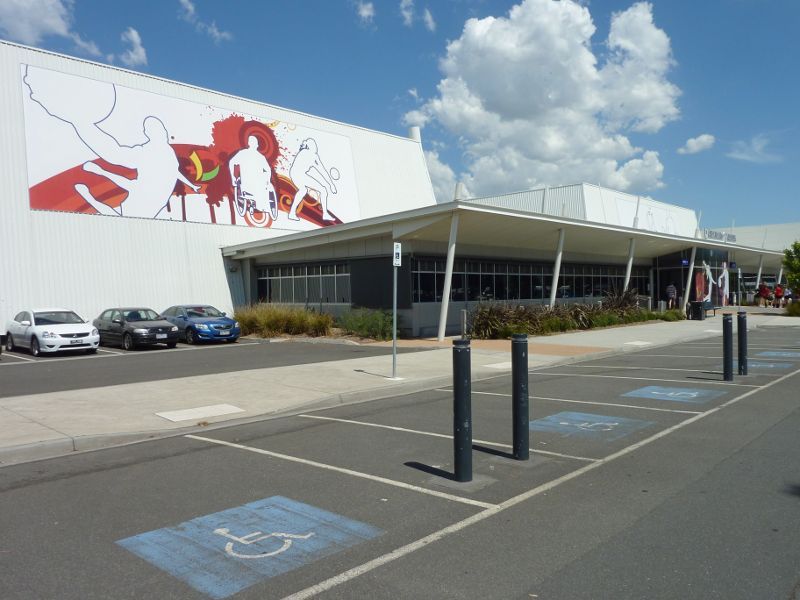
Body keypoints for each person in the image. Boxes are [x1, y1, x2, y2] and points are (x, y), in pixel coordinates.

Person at [288, 138, 338, 221]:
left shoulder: (314, 156)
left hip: (299, 174)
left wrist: (331, 184)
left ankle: (292, 213)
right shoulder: (305, 153)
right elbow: (322, 170)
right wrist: (330, 185)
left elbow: (322, 171)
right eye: (313, 145)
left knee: (306, 190)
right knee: (320, 190)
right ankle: (324, 214)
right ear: (310, 146)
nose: (315, 147)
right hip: (297, 173)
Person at [228, 135, 277, 220]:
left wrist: (233, 179)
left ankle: (257, 204)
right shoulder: (260, 157)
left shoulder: (243, 153)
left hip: (246, 187)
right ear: (257, 145)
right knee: (266, 185)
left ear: (249, 143)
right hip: (257, 187)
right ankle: (261, 206)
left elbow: (231, 163)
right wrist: (267, 181)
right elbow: (268, 170)